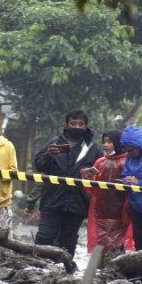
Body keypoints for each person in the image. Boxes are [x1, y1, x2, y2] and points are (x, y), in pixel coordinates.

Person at [34, 110, 102, 263]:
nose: (76, 127)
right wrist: (48, 155)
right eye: (73, 123)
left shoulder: (93, 149)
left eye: (80, 124)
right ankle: (37, 267)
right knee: (45, 235)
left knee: (69, 240)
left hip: (77, 202)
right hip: (52, 199)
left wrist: (91, 174)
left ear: (86, 126)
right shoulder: (54, 142)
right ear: (66, 124)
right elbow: (39, 165)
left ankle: (65, 271)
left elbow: (100, 173)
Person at [82, 129, 133, 254]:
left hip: (120, 213)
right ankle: (96, 271)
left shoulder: (126, 162)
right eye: (104, 142)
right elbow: (90, 188)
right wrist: (87, 176)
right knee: (99, 247)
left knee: (117, 248)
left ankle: (115, 271)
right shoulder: (100, 162)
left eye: (109, 142)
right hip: (100, 211)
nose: (106, 145)